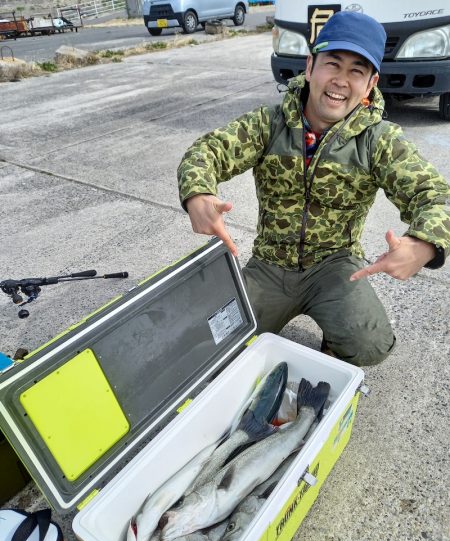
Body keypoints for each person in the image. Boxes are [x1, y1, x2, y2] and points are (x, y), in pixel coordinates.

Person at [178, 11, 450, 367]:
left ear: (370, 85)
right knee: (212, 340)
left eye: (357, 71)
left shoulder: (379, 139)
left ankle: (333, 339)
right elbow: (206, 151)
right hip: (270, 265)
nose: (340, 80)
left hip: (335, 267)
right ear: (310, 67)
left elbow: (434, 194)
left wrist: (425, 242)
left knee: (370, 345)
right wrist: (197, 193)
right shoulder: (268, 123)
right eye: (332, 64)